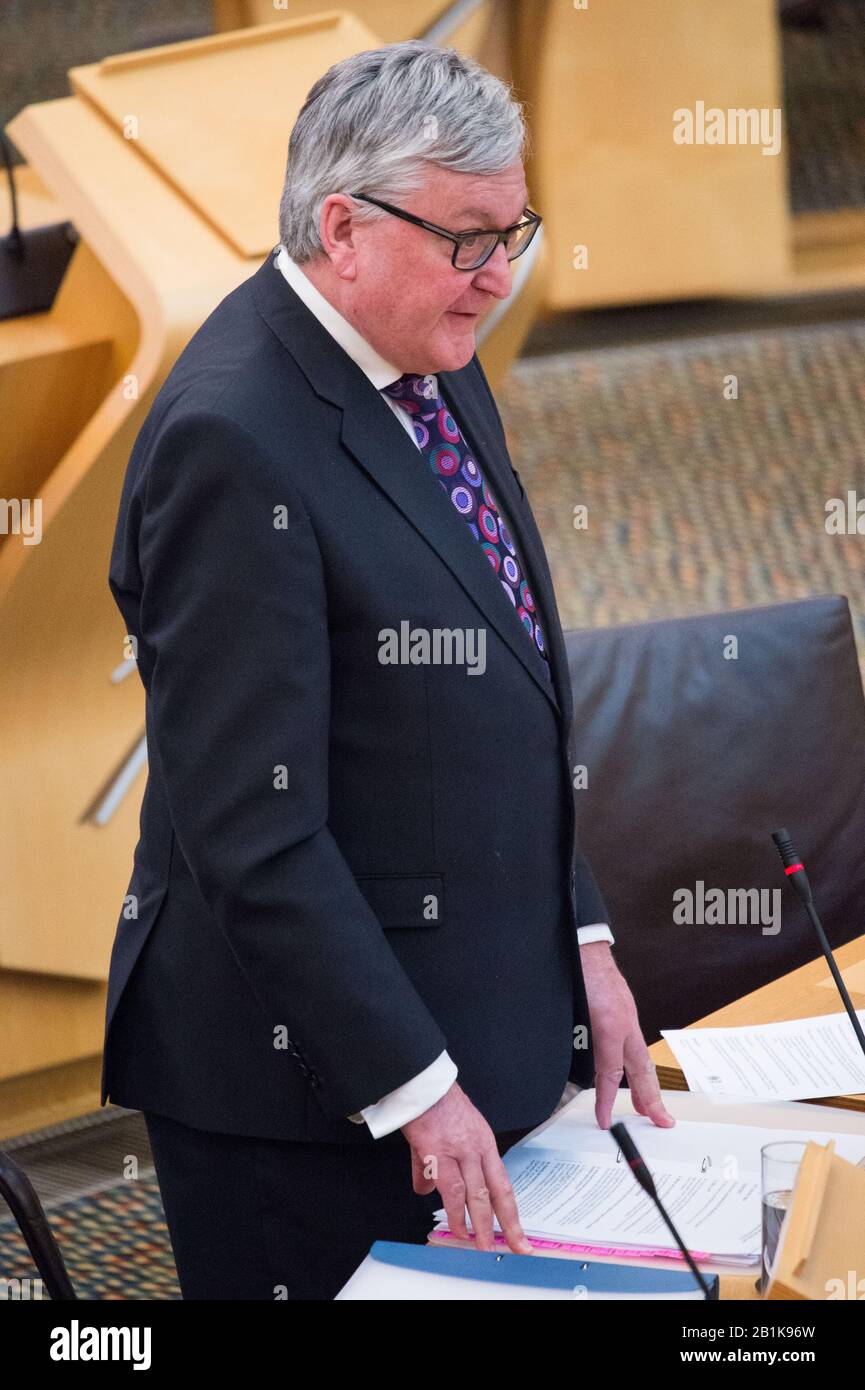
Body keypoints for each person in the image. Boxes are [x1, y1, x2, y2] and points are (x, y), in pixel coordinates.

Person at [101, 39, 673, 1301]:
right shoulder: (230, 442)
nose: (500, 274)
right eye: (468, 238)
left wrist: (578, 939)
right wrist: (416, 1089)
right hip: (305, 1104)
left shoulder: (427, 349)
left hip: (472, 1034)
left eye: (515, 227)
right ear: (341, 227)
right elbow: (253, 838)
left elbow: (511, 678)